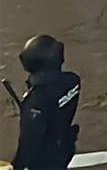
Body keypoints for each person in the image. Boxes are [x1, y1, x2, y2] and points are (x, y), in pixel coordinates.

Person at [10, 35, 81, 170]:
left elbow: (29, 142)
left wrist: (17, 166)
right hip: (64, 147)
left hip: (43, 162)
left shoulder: (36, 102)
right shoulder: (72, 80)